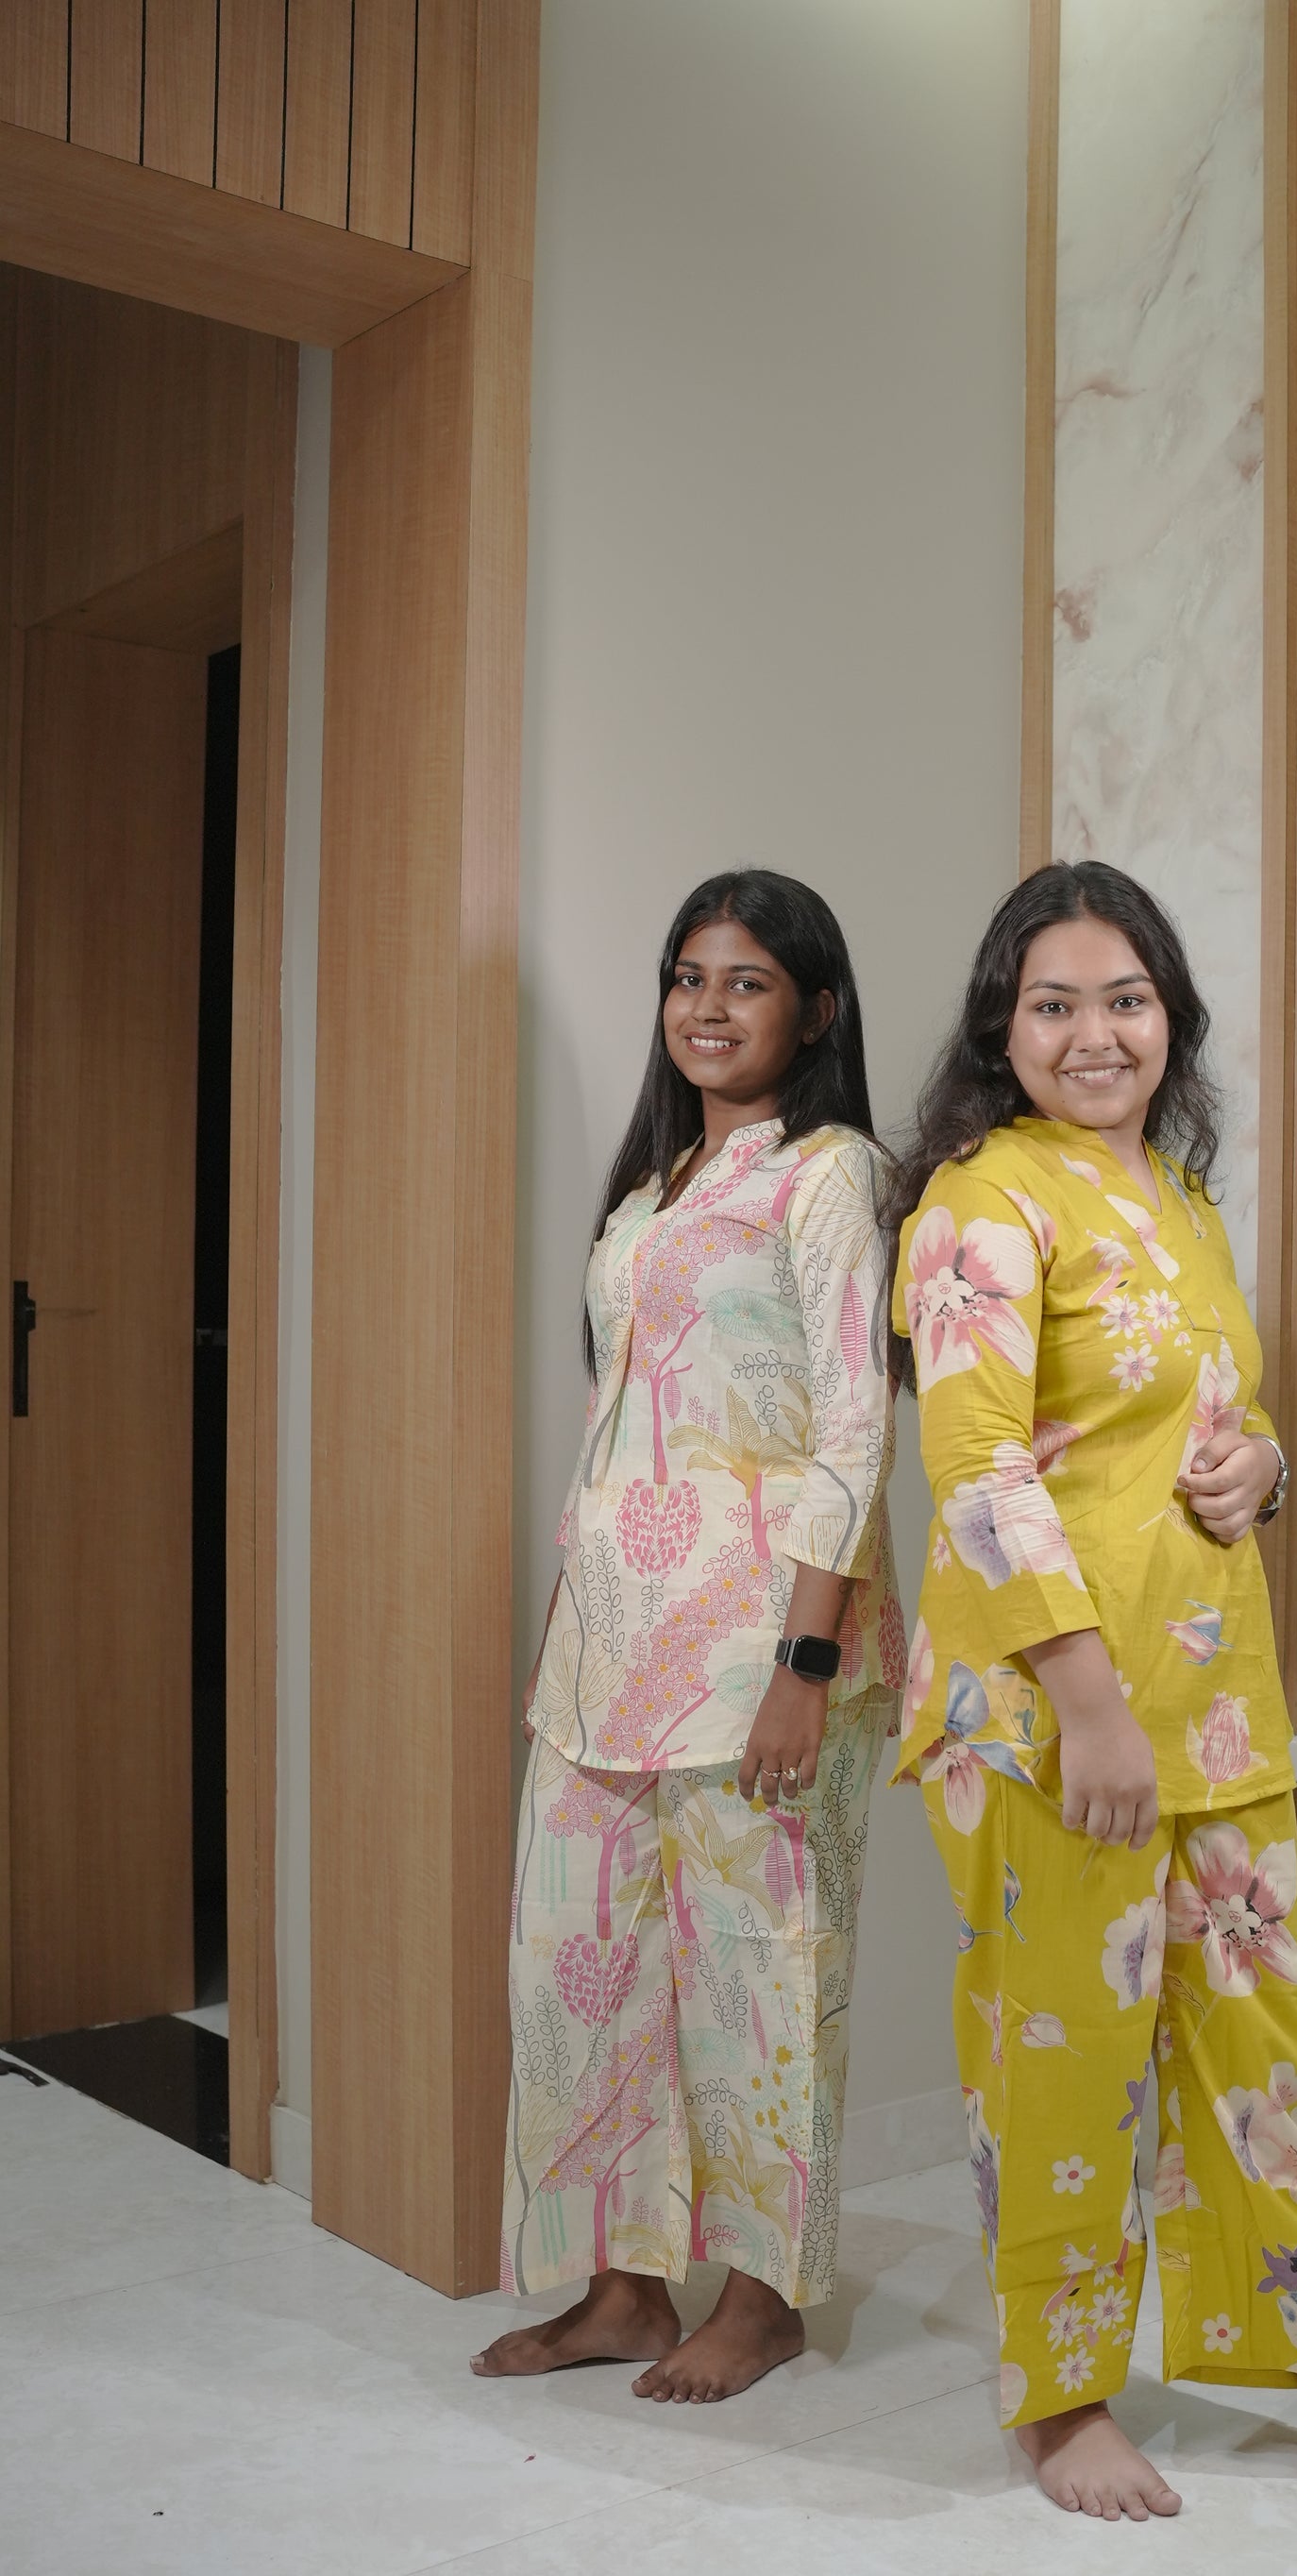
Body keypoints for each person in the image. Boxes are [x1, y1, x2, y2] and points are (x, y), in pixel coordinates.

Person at [887, 859, 1297, 2520]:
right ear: (1000, 1027)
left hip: (1218, 1696)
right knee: (1063, 2052)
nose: (1093, 1033)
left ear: (1168, 1017)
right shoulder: (978, 1198)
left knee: (1262, 2048)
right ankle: (1059, 2401)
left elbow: (1205, 1428)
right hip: (1053, 1713)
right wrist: (1090, 1705)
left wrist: (1269, 1465)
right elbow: (976, 1471)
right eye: (1052, 1003)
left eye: (1124, 999)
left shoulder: (1179, 1195)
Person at [474, 870, 901, 2403]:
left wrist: (805, 1662)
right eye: (687, 977)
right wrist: (567, 1610)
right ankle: (622, 2287)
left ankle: (763, 2296)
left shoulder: (830, 1174)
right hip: (608, 1645)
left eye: (746, 981)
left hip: (756, 1650)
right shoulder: (652, 1189)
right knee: (581, 1965)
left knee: (756, 1972)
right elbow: (619, 1416)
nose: (706, 1007)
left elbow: (854, 1429)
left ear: (817, 1010)